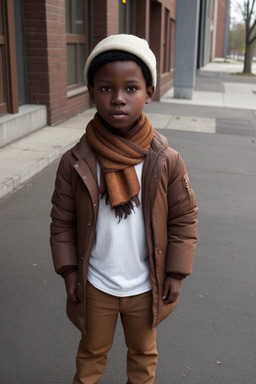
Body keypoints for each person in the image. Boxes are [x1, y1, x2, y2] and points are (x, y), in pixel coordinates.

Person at [50, 34, 198, 384]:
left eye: (131, 88)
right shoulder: (75, 161)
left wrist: (175, 273)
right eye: (106, 88)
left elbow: (183, 219)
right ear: (91, 91)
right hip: (96, 283)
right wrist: (70, 271)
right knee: (91, 355)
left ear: (148, 92)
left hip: (145, 286)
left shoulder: (165, 160)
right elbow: (62, 222)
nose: (118, 98)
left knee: (143, 357)